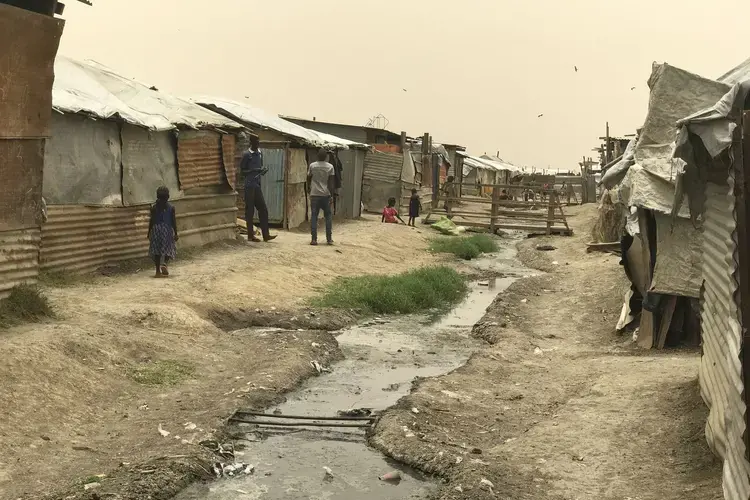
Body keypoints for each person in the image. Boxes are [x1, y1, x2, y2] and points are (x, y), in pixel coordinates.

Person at [240, 136, 276, 243]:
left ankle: (266, 235)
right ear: (251, 143)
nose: (258, 144)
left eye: (259, 142)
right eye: (256, 142)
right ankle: (250, 236)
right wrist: (253, 170)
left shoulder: (260, 153)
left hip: (257, 185)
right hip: (249, 186)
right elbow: (242, 172)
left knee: (263, 209)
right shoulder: (247, 155)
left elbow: (260, 169)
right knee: (249, 211)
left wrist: (262, 171)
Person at [147, 186, 178, 278]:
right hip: (166, 229)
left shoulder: (153, 207)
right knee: (169, 247)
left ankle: (157, 272)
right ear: (168, 197)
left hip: (156, 230)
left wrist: (148, 232)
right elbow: (173, 221)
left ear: (157, 196)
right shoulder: (171, 208)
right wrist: (176, 233)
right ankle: (164, 263)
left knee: (157, 251)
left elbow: (151, 221)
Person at [308, 148, 336, 245]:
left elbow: (308, 178)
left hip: (314, 194)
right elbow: (331, 183)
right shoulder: (330, 167)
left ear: (317, 156)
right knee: (328, 216)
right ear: (326, 157)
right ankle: (329, 239)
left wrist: (308, 190)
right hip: (325, 195)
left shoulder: (312, 165)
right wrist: (332, 196)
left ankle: (314, 239)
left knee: (314, 216)